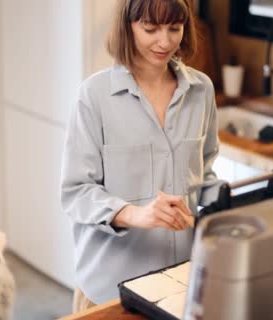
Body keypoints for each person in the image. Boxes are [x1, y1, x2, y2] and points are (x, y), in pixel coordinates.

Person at [60, 0, 222, 312]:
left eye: (175, 28)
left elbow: (205, 176)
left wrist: (230, 206)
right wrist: (135, 214)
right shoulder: (94, 96)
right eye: (151, 29)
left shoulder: (202, 91)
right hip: (110, 291)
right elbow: (76, 191)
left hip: (181, 284)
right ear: (128, 26)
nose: (165, 41)